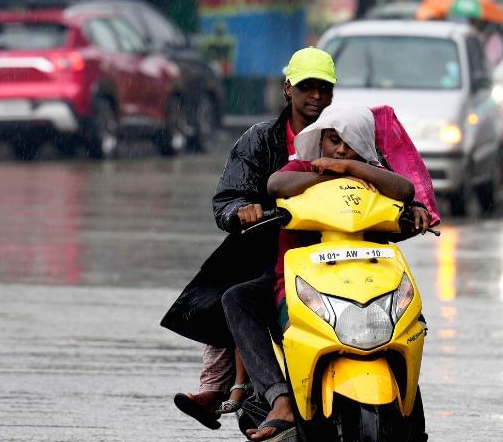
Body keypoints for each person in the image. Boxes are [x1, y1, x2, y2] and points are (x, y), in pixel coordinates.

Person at [223, 104, 432, 442]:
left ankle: (410, 415)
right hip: (299, 285)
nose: (339, 150)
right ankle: (280, 399)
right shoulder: (304, 168)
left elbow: (405, 191)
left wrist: (351, 168)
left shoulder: (374, 176)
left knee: (413, 323)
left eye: (350, 144)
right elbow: (277, 183)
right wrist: (327, 174)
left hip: (370, 287)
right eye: (333, 140)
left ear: (363, 146)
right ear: (320, 140)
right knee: (237, 299)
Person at [165, 47, 337, 431]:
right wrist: (243, 209)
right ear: (288, 89)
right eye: (307, 87)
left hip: (345, 255)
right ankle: (243, 392)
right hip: (274, 254)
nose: (316, 97)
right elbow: (228, 199)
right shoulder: (260, 140)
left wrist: (413, 211)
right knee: (232, 295)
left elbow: (387, 180)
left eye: (324, 89)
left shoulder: (346, 134)